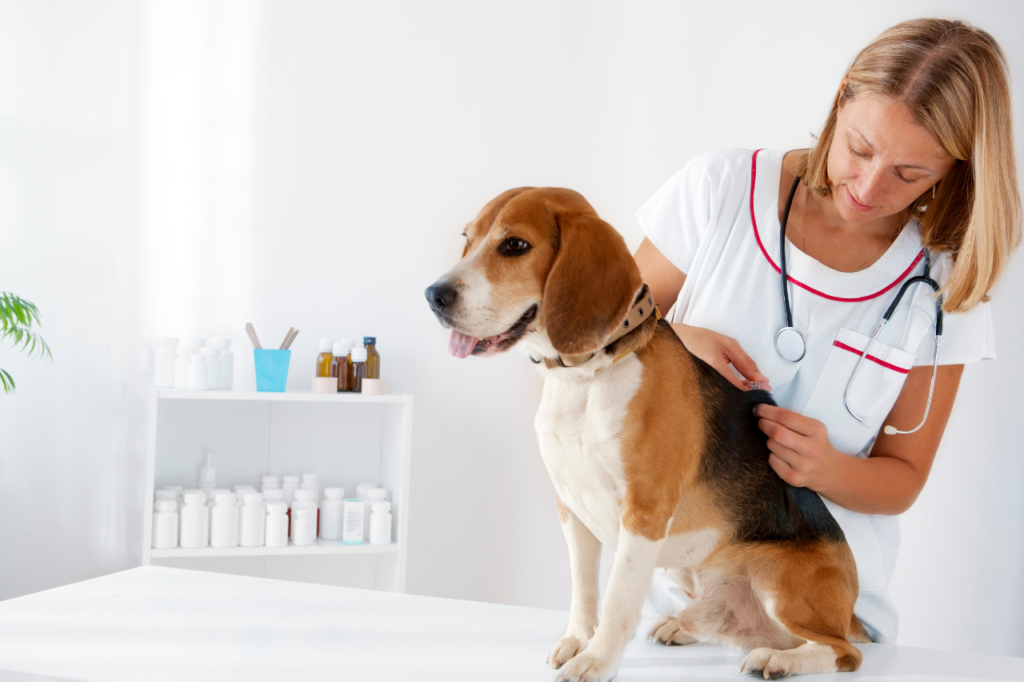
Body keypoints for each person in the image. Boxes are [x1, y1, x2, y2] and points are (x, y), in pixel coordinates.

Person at [633, 18, 1021, 643]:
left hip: (823, 624)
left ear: (955, 168)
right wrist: (675, 339)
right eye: (861, 149)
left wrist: (826, 468)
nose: (869, 189)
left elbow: (903, 479)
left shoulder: (947, 286)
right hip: (674, 613)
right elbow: (587, 336)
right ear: (842, 97)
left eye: (910, 174)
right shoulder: (721, 191)